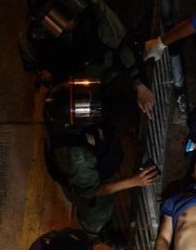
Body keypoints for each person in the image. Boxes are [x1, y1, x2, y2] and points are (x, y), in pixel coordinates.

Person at [43, 79, 158, 238]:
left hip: (100, 154)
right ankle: (95, 237)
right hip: (91, 188)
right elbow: (92, 191)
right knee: (97, 214)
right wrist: (135, 181)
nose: (89, 106)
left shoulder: (58, 107)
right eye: (84, 109)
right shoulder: (76, 155)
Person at [19, 0, 155, 117]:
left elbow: (123, 44)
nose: (70, 21)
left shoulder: (90, 6)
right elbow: (34, 67)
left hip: (105, 60)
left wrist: (140, 86)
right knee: (64, 107)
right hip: (73, 75)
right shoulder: (33, 38)